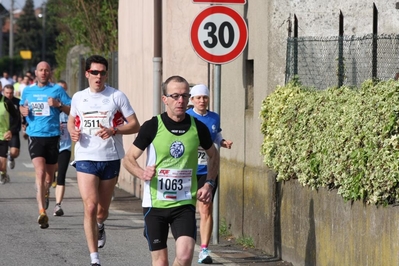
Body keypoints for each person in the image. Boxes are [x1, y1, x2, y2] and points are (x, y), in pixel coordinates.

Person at [122, 75, 220, 266]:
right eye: (175, 96)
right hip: (155, 203)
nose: (180, 101)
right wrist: (142, 173)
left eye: (185, 95)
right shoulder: (152, 126)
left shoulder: (198, 127)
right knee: (161, 262)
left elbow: (214, 155)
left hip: (184, 203)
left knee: (184, 256)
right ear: (165, 99)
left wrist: (209, 183)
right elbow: (128, 159)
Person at [67, 55, 140, 266]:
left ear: (106, 74)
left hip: (110, 158)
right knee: (89, 206)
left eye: (102, 73)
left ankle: (100, 224)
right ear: (87, 73)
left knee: (101, 210)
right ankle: (94, 258)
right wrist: (73, 132)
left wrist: (114, 129)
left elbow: (135, 125)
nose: (99, 76)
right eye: (95, 72)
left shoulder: (117, 96)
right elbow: (72, 121)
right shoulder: (79, 97)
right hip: (85, 157)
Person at [19, 61, 72, 229]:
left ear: (50, 73)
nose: (43, 72)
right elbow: (22, 106)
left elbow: (73, 109)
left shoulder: (57, 90)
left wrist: (59, 105)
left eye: (46, 70)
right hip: (35, 136)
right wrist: (23, 111)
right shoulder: (28, 90)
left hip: (53, 137)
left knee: (49, 177)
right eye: (41, 70)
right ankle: (42, 211)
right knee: (40, 173)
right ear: (36, 72)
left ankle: (46, 191)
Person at [186, 84, 233, 264]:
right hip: (187, 171)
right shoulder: (187, 117)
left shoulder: (214, 117)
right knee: (187, 209)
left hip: (208, 170)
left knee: (205, 208)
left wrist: (222, 142)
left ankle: (204, 249)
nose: (202, 101)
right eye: (198, 98)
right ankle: (188, 241)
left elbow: (216, 134)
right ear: (192, 100)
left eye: (204, 97)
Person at [52, 80, 71, 216]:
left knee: (61, 176)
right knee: (48, 178)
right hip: (50, 146)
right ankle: (45, 192)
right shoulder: (48, 108)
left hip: (65, 146)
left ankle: (58, 205)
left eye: (63, 90)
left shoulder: (71, 106)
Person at [0, 84, 19, 184]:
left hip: (3, 136)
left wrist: (10, 130)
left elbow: (16, 117)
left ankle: (4, 174)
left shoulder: (6, 102)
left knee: (2, 166)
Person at [2, 84, 22, 170]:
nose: (9, 95)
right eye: (7, 93)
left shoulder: (18, 102)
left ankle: (11, 156)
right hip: (2, 131)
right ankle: (3, 173)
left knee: (14, 152)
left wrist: (24, 125)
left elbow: (22, 115)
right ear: (3, 92)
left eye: (11, 93)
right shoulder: (2, 101)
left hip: (13, 131)